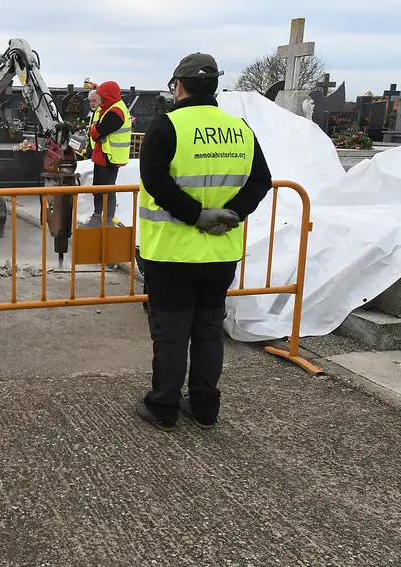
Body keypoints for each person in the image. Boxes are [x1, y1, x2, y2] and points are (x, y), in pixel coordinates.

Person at [135, 52, 272, 431]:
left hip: (171, 252)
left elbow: (156, 183)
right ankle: (205, 407)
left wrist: (196, 216)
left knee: (171, 332)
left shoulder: (167, 127)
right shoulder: (240, 128)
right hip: (220, 253)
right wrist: (233, 214)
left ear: (178, 86)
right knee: (209, 330)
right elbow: (260, 181)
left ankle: (163, 406)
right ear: (214, 87)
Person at [84, 81, 132, 227]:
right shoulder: (110, 108)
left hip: (109, 157)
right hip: (103, 155)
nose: (99, 100)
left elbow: (98, 131)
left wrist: (95, 131)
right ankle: (99, 217)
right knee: (99, 187)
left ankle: (106, 219)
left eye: (101, 96)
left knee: (107, 189)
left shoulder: (115, 112)